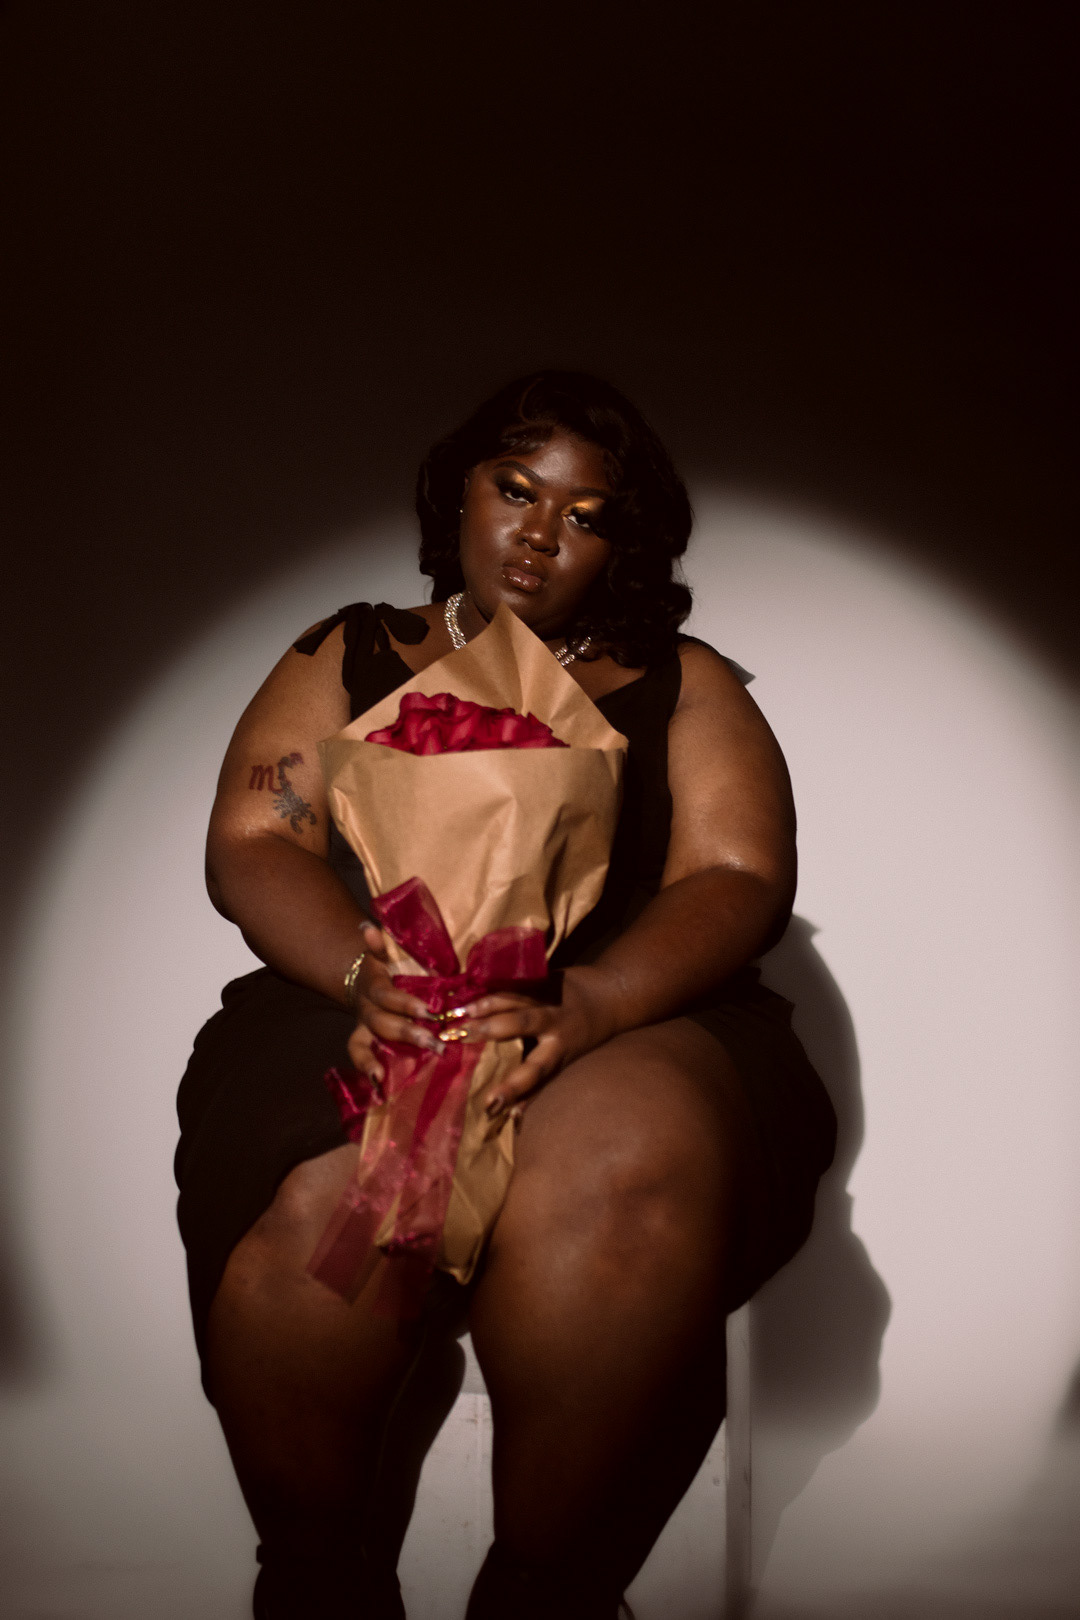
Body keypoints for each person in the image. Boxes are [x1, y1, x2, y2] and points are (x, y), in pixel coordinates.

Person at [175, 371, 837, 1619]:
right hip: (359, 992)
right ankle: (319, 1582)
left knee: (623, 1168)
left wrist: (595, 1004)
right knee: (334, 1211)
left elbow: (738, 875)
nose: (539, 534)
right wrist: (365, 973)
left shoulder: (686, 679)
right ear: (459, 492)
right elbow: (254, 842)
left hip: (632, 1005)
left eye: (585, 517)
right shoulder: (348, 648)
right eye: (516, 490)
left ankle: (544, 1593)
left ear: (624, 544)